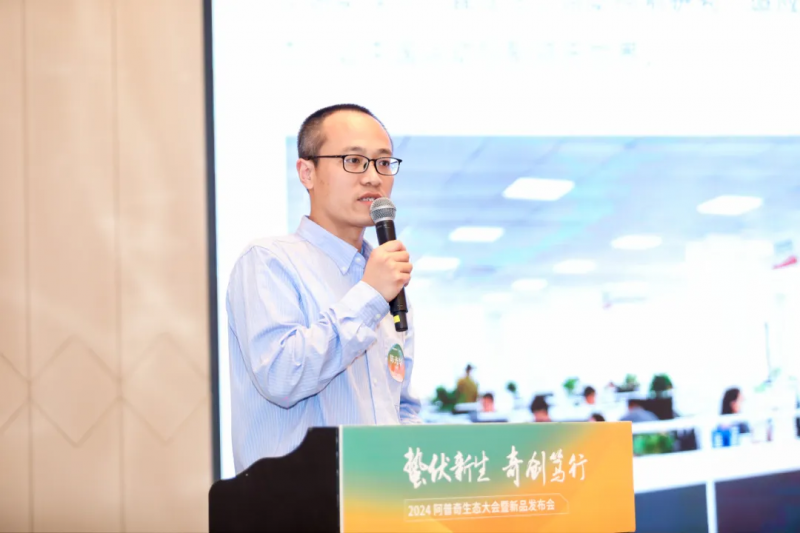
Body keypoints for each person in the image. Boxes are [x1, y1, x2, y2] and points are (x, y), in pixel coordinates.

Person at [226, 104, 421, 474]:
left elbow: (402, 407)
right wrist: (370, 295)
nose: (373, 177)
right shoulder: (268, 262)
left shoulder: (386, 279)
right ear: (307, 172)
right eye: (354, 160)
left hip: (379, 498)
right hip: (296, 500)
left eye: (383, 163)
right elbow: (282, 377)